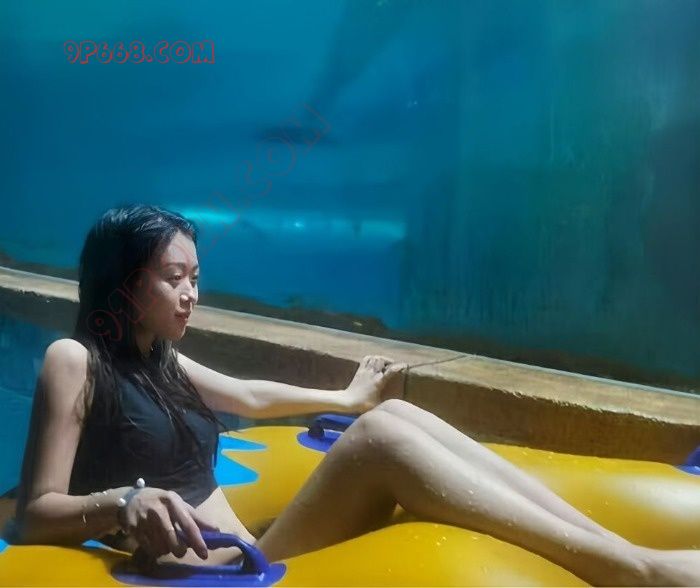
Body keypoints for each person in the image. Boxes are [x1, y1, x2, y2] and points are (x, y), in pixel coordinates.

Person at [7, 204, 699, 586]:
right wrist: (123, 503)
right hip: (210, 577)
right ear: (125, 283)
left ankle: (617, 549)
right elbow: (32, 514)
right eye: (173, 277)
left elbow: (247, 395)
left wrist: (349, 395)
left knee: (390, 414)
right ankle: (634, 573)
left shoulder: (158, 359)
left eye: (196, 275)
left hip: (252, 552)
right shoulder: (76, 362)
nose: (192, 293)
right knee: (379, 442)